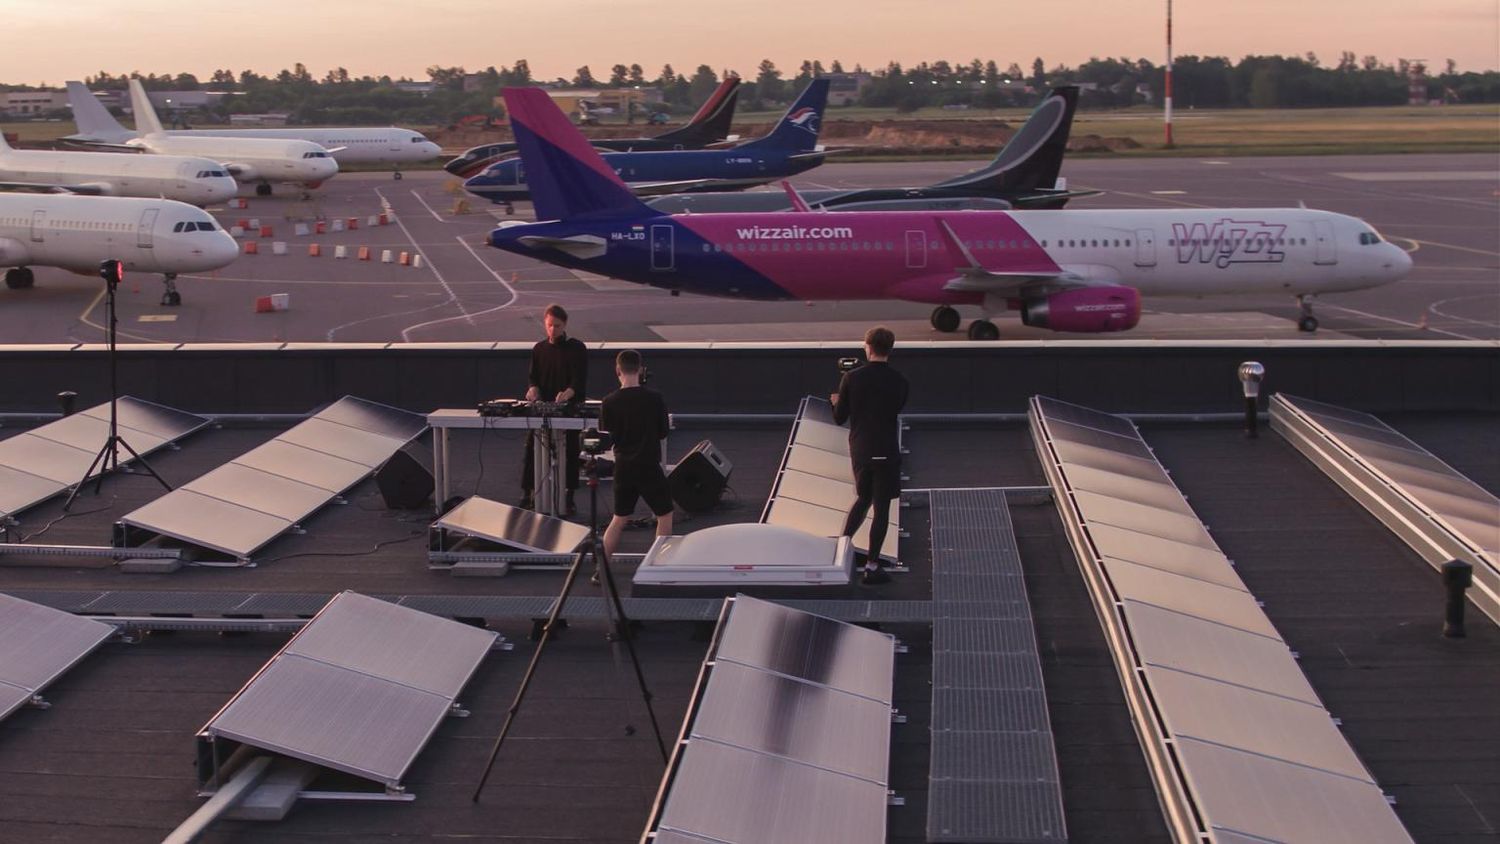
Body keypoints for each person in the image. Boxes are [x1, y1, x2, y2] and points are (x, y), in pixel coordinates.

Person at [832, 326, 908, 585]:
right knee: (882, 507)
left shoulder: (852, 378)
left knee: (863, 499)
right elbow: (896, 408)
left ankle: (840, 550)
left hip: (862, 449)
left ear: (868, 346)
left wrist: (836, 401)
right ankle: (873, 565)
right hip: (887, 448)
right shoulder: (899, 380)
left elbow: (840, 417)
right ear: (891, 348)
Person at [599, 349, 674, 561]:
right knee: (665, 515)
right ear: (640, 370)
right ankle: (657, 564)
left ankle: (601, 569)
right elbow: (662, 432)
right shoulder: (654, 399)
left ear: (618, 370)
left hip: (623, 467)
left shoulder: (609, 401)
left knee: (619, 519)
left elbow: (607, 436)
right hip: (649, 465)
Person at [522, 304, 587, 515]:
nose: (553, 330)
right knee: (532, 448)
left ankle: (568, 496)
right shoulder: (539, 349)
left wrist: (568, 393)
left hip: (569, 408)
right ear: (545, 324)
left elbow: (579, 380)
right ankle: (529, 492)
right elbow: (533, 377)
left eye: (557, 326)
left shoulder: (577, 348)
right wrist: (533, 390)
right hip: (544, 408)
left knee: (570, 452)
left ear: (565, 325)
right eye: (550, 326)